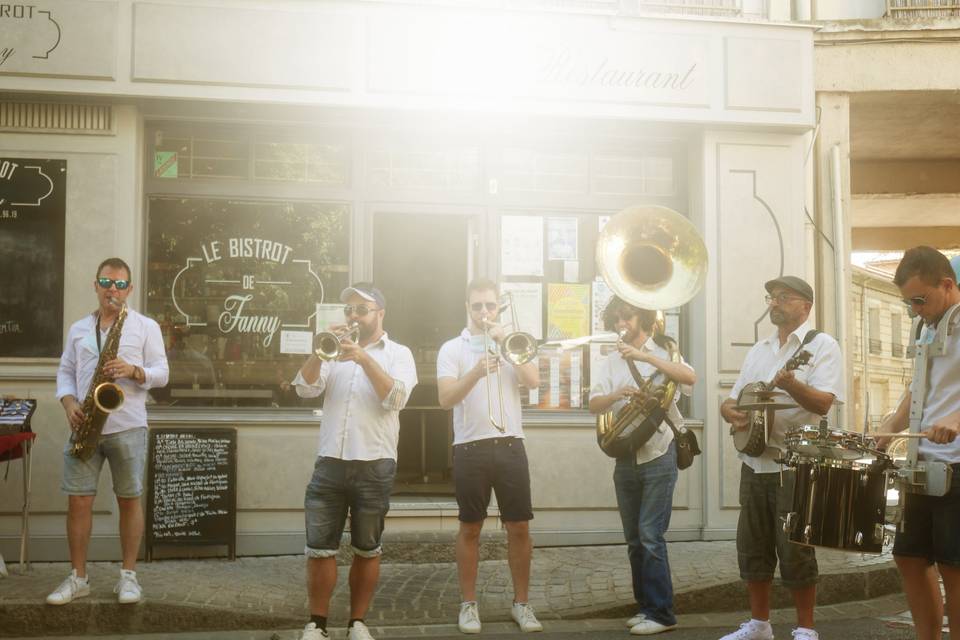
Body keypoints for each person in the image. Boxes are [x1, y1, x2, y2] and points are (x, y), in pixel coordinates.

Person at [718, 276, 844, 640]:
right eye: (771, 297)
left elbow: (823, 403)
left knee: (795, 550)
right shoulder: (759, 349)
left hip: (796, 464)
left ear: (805, 305)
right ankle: (759, 625)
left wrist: (792, 384)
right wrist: (728, 411)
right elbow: (734, 397)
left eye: (783, 297)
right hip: (755, 462)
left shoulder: (821, 346)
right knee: (753, 546)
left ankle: (806, 629)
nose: (774, 302)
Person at [293, 282, 418, 640]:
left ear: (380, 313)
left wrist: (364, 358)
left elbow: (395, 399)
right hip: (330, 460)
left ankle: (357, 623)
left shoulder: (399, 353)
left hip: (375, 462)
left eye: (361, 310)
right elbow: (304, 389)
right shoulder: (332, 351)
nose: (353, 316)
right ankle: (316, 624)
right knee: (319, 549)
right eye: (349, 310)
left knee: (367, 548)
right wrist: (320, 352)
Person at [48, 257, 169, 605]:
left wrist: (134, 370)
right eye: (106, 282)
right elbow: (66, 372)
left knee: (129, 500)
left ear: (129, 289)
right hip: (85, 424)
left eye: (119, 284)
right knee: (78, 502)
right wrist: (69, 403)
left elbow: (163, 372)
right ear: (96, 285)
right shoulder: (78, 329)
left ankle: (128, 577)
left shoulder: (145, 326)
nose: (111, 289)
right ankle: (78, 577)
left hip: (127, 425)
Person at [436, 278, 543, 634]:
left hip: (510, 443)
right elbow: (445, 398)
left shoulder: (512, 342)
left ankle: (522, 604)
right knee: (470, 527)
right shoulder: (453, 348)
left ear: (499, 308)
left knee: (519, 526)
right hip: (470, 446)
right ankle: (468, 605)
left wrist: (504, 342)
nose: (483, 312)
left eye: (490, 306)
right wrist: (475, 373)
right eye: (477, 306)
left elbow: (533, 382)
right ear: (467, 307)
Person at [588, 297, 695, 636]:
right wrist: (619, 394)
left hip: (659, 452)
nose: (622, 322)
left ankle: (663, 614)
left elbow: (690, 378)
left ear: (644, 317)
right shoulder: (608, 361)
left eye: (628, 316)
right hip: (626, 454)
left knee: (650, 535)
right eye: (617, 317)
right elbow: (593, 404)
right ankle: (646, 606)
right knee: (634, 539)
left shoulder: (664, 351)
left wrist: (646, 357)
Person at [876, 246, 960, 640]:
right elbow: (918, 390)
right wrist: (891, 425)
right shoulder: (927, 327)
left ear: (947, 284)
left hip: (957, 465)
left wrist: (957, 419)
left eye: (919, 300)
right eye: (908, 302)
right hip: (920, 462)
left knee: (954, 566)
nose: (914, 310)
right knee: (908, 557)